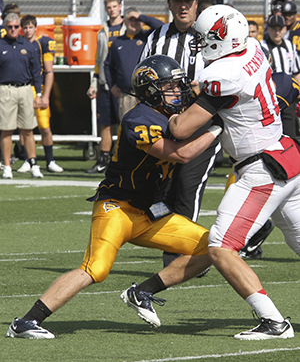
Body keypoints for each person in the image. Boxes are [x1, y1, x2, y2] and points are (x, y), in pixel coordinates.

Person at [6, 54, 223, 339]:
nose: (177, 91)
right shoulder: (139, 119)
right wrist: (218, 127)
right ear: (151, 89)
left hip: (149, 213)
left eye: (177, 85)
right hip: (117, 208)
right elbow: (181, 154)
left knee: (215, 248)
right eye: (170, 86)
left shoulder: (167, 114)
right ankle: (26, 322)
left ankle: (142, 292)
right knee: (95, 269)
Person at [166, 4, 300, 339]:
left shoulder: (221, 77)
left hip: (261, 169)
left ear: (222, 38)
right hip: (285, 156)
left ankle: (273, 322)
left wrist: (171, 115)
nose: (199, 43)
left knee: (221, 245)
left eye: (204, 37)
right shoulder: (253, 48)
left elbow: (181, 129)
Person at [140, 0, 221, 268]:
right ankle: (176, 249)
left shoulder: (210, 35)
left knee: (188, 187)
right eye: (178, 1)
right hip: (166, 121)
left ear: (196, 4)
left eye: (188, 1)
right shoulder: (156, 37)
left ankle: (185, 257)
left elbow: (226, 74)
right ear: (170, 4)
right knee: (162, 191)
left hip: (201, 120)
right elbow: (142, 76)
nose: (183, 6)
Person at [17, 15, 63, 174]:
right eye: (25, 27)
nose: (28, 30)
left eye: (30, 27)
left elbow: (49, 71)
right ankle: (27, 160)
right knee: (24, 127)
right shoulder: (18, 43)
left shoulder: (43, 42)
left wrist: (46, 95)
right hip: (23, 88)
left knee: (44, 126)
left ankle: (50, 160)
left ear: (35, 27)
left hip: (39, 88)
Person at [0, 13, 44, 179]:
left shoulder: (29, 45)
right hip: (5, 89)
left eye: (16, 26)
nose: (13, 29)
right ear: (5, 27)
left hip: (25, 89)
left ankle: (33, 163)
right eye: (10, 27)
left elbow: (36, 71)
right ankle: (7, 166)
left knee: (28, 129)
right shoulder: (0, 44)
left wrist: (38, 93)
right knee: (6, 130)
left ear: (20, 27)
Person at [86, 0, 126, 175]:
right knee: (105, 124)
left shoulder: (128, 29)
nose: (112, 10)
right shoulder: (103, 30)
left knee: (125, 124)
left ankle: (123, 161)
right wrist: (94, 83)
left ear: (120, 7)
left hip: (123, 85)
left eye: (114, 6)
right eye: (109, 7)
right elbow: (98, 59)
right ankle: (103, 159)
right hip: (105, 83)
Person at [104, 7, 164, 120]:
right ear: (124, 21)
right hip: (127, 95)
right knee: (127, 127)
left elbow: (161, 26)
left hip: (148, 94)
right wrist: (111, 85)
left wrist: (141, 16)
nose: (134, 22)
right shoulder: (117, 43)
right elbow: (108, 65)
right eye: (131, 19)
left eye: (137, 20)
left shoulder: (148, 37)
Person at [261, 14, 300, 139]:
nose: (277, 32)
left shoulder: (290, 46)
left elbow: (296, 72)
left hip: (288, 97)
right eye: (274, 28)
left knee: (290, 134)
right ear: (268, 28)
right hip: (270, 98)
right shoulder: (261, 46)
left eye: (280, 28)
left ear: (285, 29)